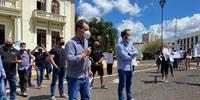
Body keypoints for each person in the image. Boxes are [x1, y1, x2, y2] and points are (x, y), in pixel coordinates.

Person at [65, 19, 93, 100]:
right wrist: (83, 54)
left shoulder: (86, 41)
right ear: (78, 29)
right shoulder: (71, 43)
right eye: (86, 29)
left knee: (86, 97)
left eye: (88, 29)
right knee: (73, 98)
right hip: (74, 77)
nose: (88, 32)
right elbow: (70, 59)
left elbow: (86, 58)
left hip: (85, 76)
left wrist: (88, 69)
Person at [116, 29, 138, 100]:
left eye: (130, 35)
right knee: (122, 85)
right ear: (124, 36)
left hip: (130, 68)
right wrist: (132, 55)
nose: (130, 36)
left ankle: (129, 97)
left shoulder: (130, 44)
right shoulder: (119, 46)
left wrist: (130, 54)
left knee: (129, 84)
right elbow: (125, 57)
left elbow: (137, 52)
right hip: (122, 68)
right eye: (128, 35)